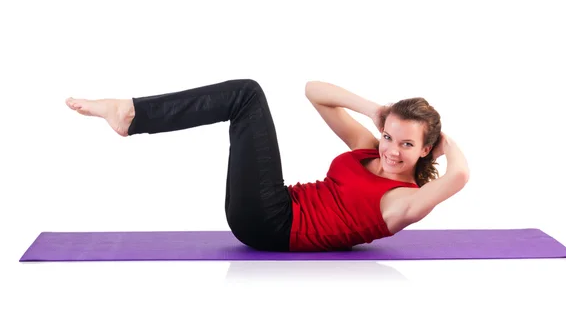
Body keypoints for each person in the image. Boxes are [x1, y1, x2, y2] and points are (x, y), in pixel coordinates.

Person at [65, 79, 470, 252]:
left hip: (271, 224)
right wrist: (375, 112)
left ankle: (131, 115)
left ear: (425, 149)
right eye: (389, 137)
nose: (392, 151)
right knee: (247, 95)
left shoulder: (403, 202)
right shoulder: (369, 148)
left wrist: (444, 144)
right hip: (272, 206)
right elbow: (315, 92)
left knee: (247, 96)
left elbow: (459, 175)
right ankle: (131, 114)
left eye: (407, 144)